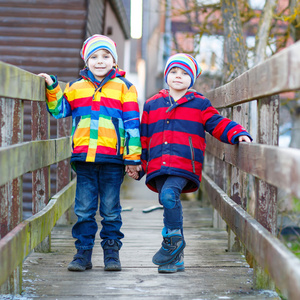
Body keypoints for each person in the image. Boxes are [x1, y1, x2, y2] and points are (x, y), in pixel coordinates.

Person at [134, 53, 252, 273]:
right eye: (174, 72)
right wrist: (139, 164)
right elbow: (144, 137)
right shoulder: (152, 104)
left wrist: (236, 132)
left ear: (193, 79)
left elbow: (217, 123)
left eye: (185, 73)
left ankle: (172, 246)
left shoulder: (199, 104)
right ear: (166, 75)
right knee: (167, 200)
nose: (178, 77)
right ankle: (175, 257)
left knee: (169, 196)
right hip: (158, 165)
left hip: (184, 164)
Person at [38, 34, 141, 272]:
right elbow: (59, 110)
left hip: (113, 160)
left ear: (114, 61)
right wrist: (53, 87)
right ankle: (82, 253)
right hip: (84, 158)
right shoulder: (75, 87)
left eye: (106, 56)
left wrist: (133, 159)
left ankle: (112, 253)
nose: (100, 61)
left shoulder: (125, 87)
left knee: (110, 209)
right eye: (94, 56)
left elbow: (133, 123)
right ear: (86, 61)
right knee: (84, 209)